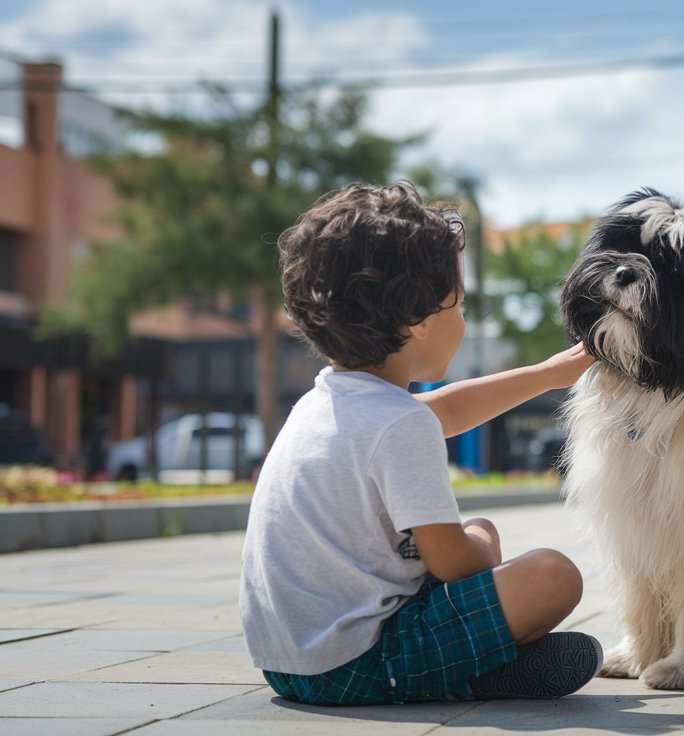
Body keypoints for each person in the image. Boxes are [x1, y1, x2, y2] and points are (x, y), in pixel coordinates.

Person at [240, 181, 600, 706]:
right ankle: (465, 674)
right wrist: (485, 545)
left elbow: (448, 410)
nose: (464, 318)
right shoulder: (397, 424)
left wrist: (547, 374)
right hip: (359, 662)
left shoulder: (326, 406)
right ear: (420, 321)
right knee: (551, 576)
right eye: (459, 304)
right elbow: (454, 563)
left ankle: (471, 668)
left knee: (487, 543)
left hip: (287, 664)